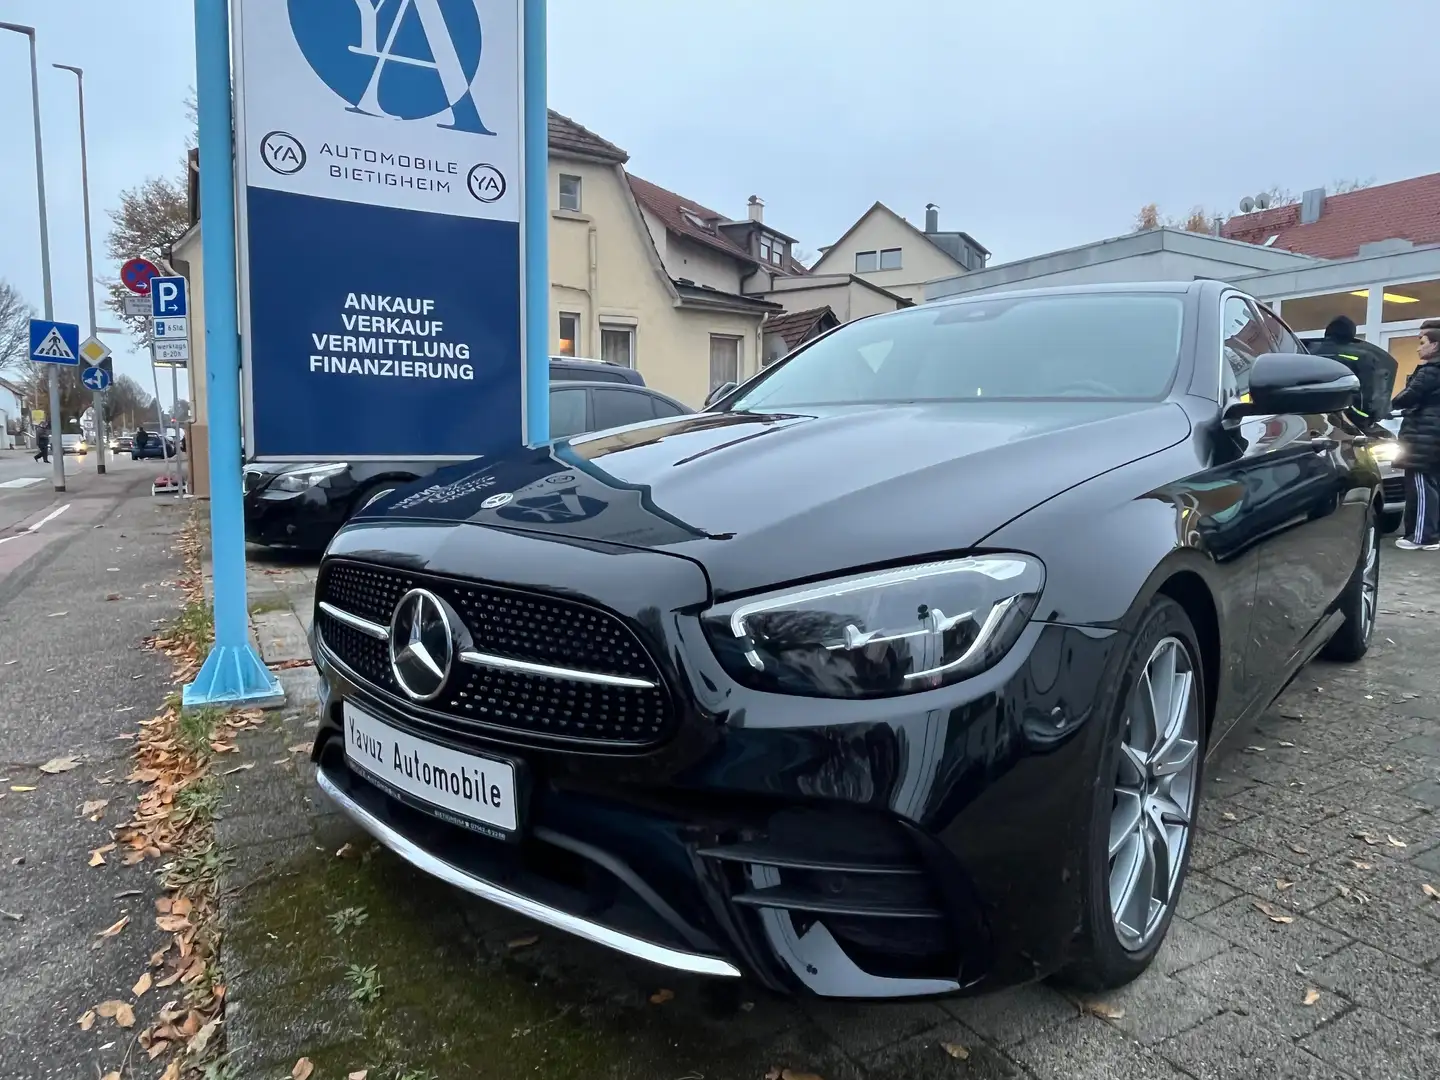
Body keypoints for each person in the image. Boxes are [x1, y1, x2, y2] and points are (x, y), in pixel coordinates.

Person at [1392, 320, 1440, 550]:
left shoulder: (1430, 371)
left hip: (1424, 438)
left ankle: (1422, 537)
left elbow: (1407, 397)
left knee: (1421, 487)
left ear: (1436, 345)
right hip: (1432, 438)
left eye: (1423, 342)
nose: (1418, 348)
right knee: (1431, 486)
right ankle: (1431, 535)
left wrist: (1385, 406)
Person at [1307, 315, 1399, 435]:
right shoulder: (1363, 357)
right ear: (1351, 333)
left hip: (1309, 416)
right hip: (1347, 419)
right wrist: (1370, 417)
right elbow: (1367, 394)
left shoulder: (1308, 353)